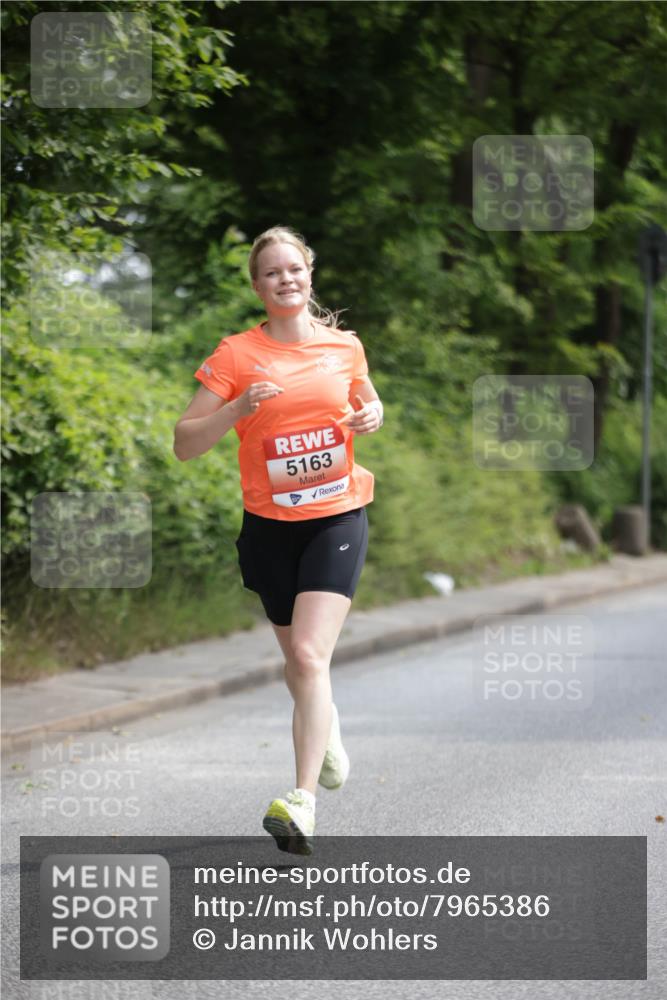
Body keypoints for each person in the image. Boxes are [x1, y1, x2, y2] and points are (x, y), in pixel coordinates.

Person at [173, 225, 383, 855]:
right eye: (271, 272)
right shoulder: (237, 354)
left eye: (293, 268)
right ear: (258, 286)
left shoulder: (344, 347)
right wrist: (237, 409)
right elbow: (185, 443)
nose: (285, 279)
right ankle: (329, 728)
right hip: (268, 526)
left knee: (310, 657)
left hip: (337, 516)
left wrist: (372, 415)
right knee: (299, 663)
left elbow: (369, 406)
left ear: (310, 273)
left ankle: (301, 802)